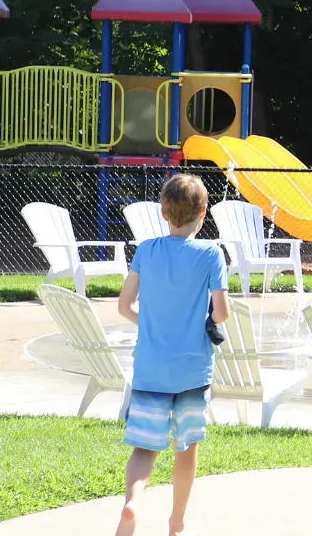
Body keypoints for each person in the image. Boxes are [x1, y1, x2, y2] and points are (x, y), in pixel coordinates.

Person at [113, 174, 229, 536]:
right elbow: (222, 312)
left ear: (164, 213)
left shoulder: (146, 250)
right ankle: (176, 523)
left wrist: (146, 323)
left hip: (151, 367)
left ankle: (133, 501)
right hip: (193, 370)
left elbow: (124, 305)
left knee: (144, 447)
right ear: (203, 212)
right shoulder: (211, 253)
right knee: (186, 445)